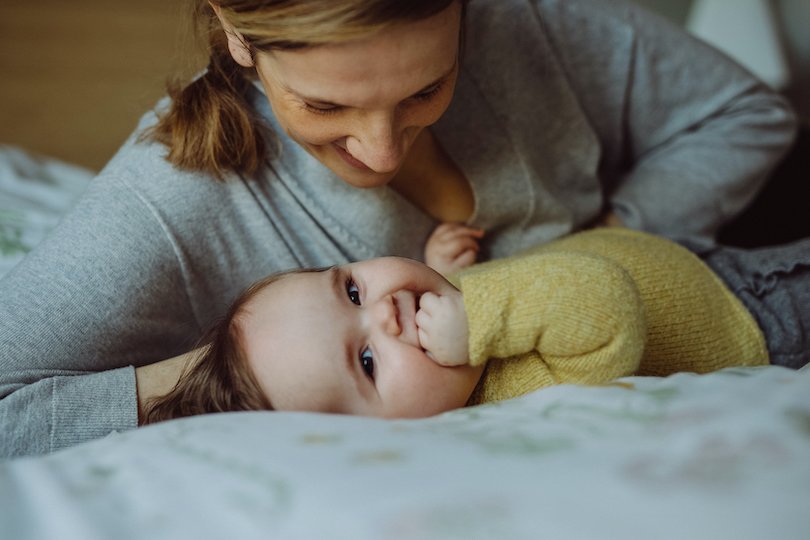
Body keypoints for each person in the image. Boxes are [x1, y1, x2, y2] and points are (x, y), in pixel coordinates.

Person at [0, 0, 797, 458]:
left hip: (719, 284)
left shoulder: (520, 28)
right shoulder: (171, 205)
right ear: (237, 34)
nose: (380, 151)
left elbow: (744, 112)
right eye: (325, 106)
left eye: (427, 88)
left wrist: (617, 233)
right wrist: (220, 381)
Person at [141, 227, 810, 424]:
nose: (385, 312)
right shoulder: (512, 405)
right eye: (368, 362)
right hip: (750, 313)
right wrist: (478, 317)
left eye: (350, 288)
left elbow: (499, 304)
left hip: (695, 259)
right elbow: (599, 304)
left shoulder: (444, 332)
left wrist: (450, 270)